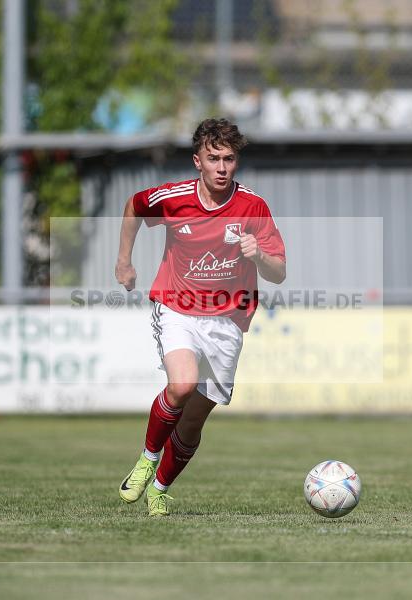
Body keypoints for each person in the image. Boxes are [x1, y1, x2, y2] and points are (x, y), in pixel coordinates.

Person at [115, 118, 286, 516]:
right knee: (182, 383)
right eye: (214, 159)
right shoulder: (174, 198)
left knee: (194, 419)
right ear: (198, 162)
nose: (222, 167)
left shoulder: (252, 207)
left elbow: (278, 270)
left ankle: (159, 488)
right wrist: (124, 261)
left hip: (228, 320)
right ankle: (146, 460)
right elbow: (134, 207)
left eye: (229, 159)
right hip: (177, 306)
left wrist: (258, 254)